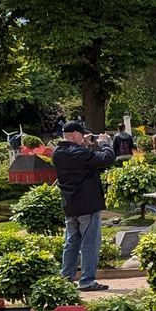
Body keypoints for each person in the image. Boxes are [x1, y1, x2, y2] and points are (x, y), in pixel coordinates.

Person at [53, 120, 116, 290]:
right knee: (90, 243)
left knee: (71, 242)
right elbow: (106, 159)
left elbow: (84, 164)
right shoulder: (79, 153)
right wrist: (104, 144)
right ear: (75, 134)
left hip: (70, 205)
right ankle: (87, 280)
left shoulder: (57, 152)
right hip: (87, 205)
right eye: (81, 134)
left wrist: (86, 146)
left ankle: (66, 277)